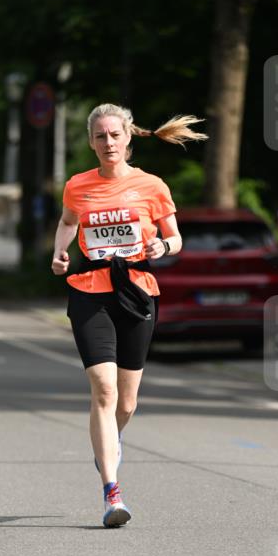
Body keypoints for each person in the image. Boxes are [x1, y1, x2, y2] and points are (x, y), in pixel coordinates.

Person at [51, 103, 207, 528]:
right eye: (100, 136)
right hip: (89, 292)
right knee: (103, 390)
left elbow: (174, 238)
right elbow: (68, 222)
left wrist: (163, 248)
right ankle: (111, 492)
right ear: (91, 142)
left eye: (114, 135)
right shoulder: (78, 186)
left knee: (128, 400)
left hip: (136, 293)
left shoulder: (152, 186)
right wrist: (60, 252)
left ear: (129, 138)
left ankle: (110, 441)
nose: (108, 143)